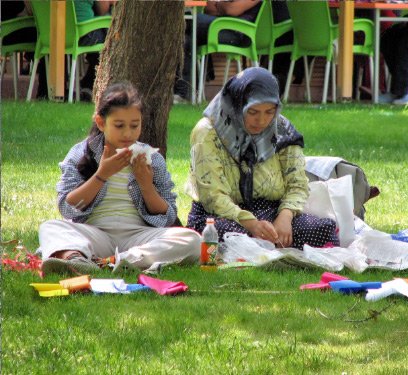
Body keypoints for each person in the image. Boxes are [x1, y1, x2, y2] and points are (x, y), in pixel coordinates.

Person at [38, 82, 201, 275]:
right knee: (50, 227)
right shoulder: (81, 153)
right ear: (100, 122)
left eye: (134, 125)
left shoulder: (152, 158)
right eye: (119, 125)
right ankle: (75, 258)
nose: (127, 133)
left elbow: (168, 216)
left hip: (138, 236)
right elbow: (67, 207)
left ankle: (120, 261)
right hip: (95, 233)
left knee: (193, 240)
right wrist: (101, 174)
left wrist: (146, 185)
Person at [186, 67, 339, 249]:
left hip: (271, 212)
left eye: (269, 111)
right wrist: (252, 224)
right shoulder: (208, 133)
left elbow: (297, 183)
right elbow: (212, 195)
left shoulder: (282, 129)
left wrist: (285, 217)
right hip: (222, 216)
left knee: (322, 229)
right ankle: (262, 246)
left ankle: (265, 245)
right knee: (220, 235)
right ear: (237, 104)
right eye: (253, 112)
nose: (262, 121)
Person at [174, 0, 263, 103]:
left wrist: (220, 6)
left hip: (237, 32)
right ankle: (184, 93)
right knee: (186, 39)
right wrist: (223, 6)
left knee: (192, 19)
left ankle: (185, 92)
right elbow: (208, 7)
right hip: (220, 25)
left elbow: (231, 10)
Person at [74, 0, 115, 99]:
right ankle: (90, 84)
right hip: (85, 34)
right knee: (111, 39)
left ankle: (88, 84)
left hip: (60, 34)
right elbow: (102, 10)